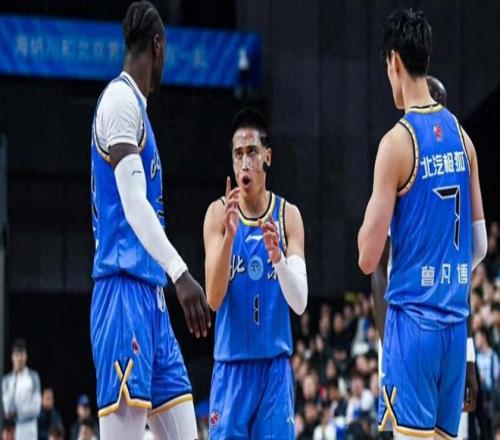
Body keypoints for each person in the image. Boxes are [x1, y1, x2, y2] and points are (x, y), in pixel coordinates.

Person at [358, 8, 487, 439]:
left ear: (394, 61)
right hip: (454, 328)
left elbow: (368, 258)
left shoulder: (396, 143)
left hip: (413, 327)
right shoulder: (464, 139)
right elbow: (480, 245)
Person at [90, 2, 211, 438]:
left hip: (152, 298)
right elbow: (134, 204)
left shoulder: (138, 111)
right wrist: (181, 273)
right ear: (157, 46)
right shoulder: (120, 101)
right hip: (122, 290)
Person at [203, 108, 308, 438]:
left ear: (267, 157)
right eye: (238, 154)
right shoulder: (217, 214)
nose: (245, 162)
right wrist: (230, 238)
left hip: (274, 370)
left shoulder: (288, 216)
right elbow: (213, 298)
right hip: (231, 369)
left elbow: (300, 303)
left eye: (252, 152)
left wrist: (278, 259)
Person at [2, 339, 41, 440]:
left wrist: (17, 414)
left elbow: (36, 409)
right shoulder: (6, 381)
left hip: (30, 430)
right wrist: (15, 379)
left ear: (25, 356)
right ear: (12, 357)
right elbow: (7, 410)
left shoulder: (33, 377)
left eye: (22, 354)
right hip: (13, 431)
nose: (19, 358)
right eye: (16, 355)